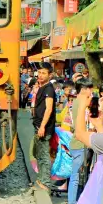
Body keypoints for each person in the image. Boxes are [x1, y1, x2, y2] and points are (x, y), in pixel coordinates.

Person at [66, 78, 94, 204]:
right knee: (76, 176)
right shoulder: (80, 104)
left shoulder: (77, 103)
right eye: (90, 89)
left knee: (78, 175)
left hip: (79, 144)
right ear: (83, 90)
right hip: (79, 144)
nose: (92, 92)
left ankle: (74, 201)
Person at [31, 62, 56, 192]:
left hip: (44, 127)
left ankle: (45, 183)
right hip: (39, 125)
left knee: (44, 154)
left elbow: (49, 109)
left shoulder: (49, 89)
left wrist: (42, 127)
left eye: (43, 73)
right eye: (39, 72)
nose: (40, 75)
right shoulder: (42, 87)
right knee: (39, 153)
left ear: (50, 75)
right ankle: (41, 179)